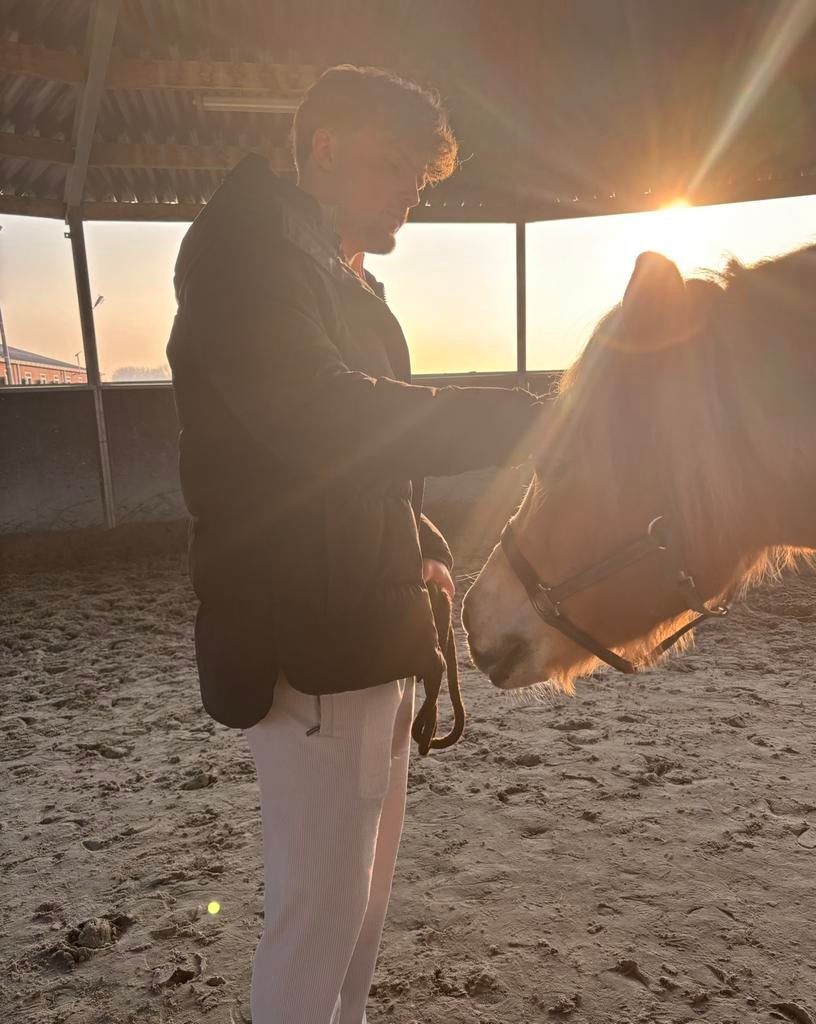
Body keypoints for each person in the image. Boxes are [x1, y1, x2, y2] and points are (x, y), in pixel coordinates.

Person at [166, 64, 544, 1024]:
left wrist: (420, 538)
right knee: (319, 916)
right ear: (326, 147)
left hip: (369, 623)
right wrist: (527, 419)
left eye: (421, 173)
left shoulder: (332, 272)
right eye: (396, 164)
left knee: (359, 908)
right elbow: (322, 419)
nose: (412, 189)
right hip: (309, 633)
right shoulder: (249, 259)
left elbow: (355, 465)